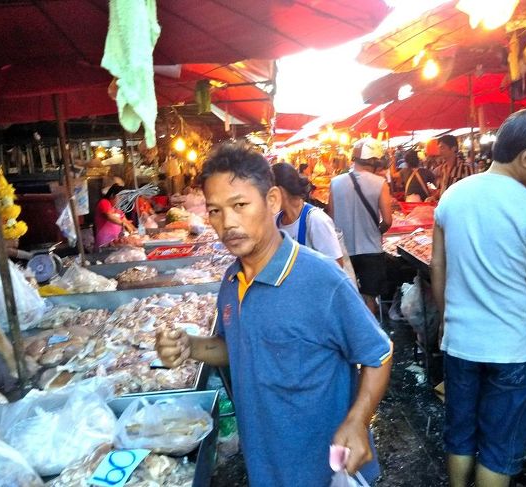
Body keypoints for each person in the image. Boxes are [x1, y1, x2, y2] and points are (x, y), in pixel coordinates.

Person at [155, 142, 392, 487]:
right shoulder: (231, 281)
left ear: (272, 202)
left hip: (327, 467)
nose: (228, 223)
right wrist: (190, 346)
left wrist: (358, 420)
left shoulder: (321, 280)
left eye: (239, 205)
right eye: (216, 211)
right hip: (266, 463)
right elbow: (238, 347)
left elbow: (379, 354)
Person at [431, 109, 526, 487]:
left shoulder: (453, 196)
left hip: (460, 344)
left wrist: (447, 318)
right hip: (512, 351)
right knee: (499, 446)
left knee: (460, 434)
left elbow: (438, 268)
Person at [330, 138, 393, 314]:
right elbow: (387, 220)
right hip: (371, 250)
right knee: (369, 298)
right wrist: (374, 232)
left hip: (343, 250)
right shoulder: (380, 184)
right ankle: (367, 336)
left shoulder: (335, 183)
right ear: (374, 161)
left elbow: (331, 219)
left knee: (346, 296)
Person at [271, 162, 344, 267]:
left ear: (280, 191)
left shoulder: (315, 220)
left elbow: (336, 265)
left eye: (268, 192)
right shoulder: (275, 221)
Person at [94, 183, 135, 250]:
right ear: (112, 195)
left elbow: (126, 221)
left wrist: (135, 231)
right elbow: (108, 216)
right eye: (121, 197)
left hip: (115, 242)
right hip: (104, 242)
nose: (122, 200)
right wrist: (123, 224)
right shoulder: (104, 202)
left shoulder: (117, 209)